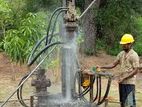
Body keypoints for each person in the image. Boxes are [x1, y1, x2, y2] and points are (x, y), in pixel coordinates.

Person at [97, 34, 139, 107]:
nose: (123, 46)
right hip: (122, 82)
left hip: (129, 83)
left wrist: (124, 77)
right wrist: (101, 67)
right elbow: (113, 64)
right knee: (122, 102)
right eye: (122, 44)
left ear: (130, 44)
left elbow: (135, 70)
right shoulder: (121, 54)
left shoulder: (134, 55)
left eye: (124, 44)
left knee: (129, 103)